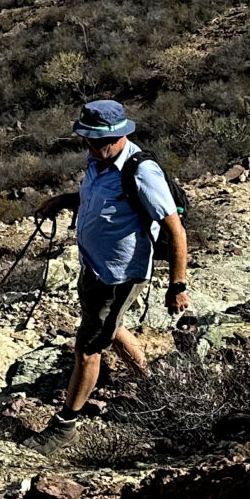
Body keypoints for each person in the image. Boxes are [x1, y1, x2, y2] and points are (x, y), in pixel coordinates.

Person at [33, 99, 190, 421]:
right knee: (110, 326)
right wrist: (65, 200)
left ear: (121, 135)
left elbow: (176, 230)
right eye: (90, 140)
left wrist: (178, 286)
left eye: (103, 140)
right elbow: (101, 199)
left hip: (119, 276)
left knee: (88, 349)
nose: (95, 146)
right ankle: (150, 382)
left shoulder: (142, 171)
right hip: (93, 266)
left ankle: (65, 424)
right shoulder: (97, 162)